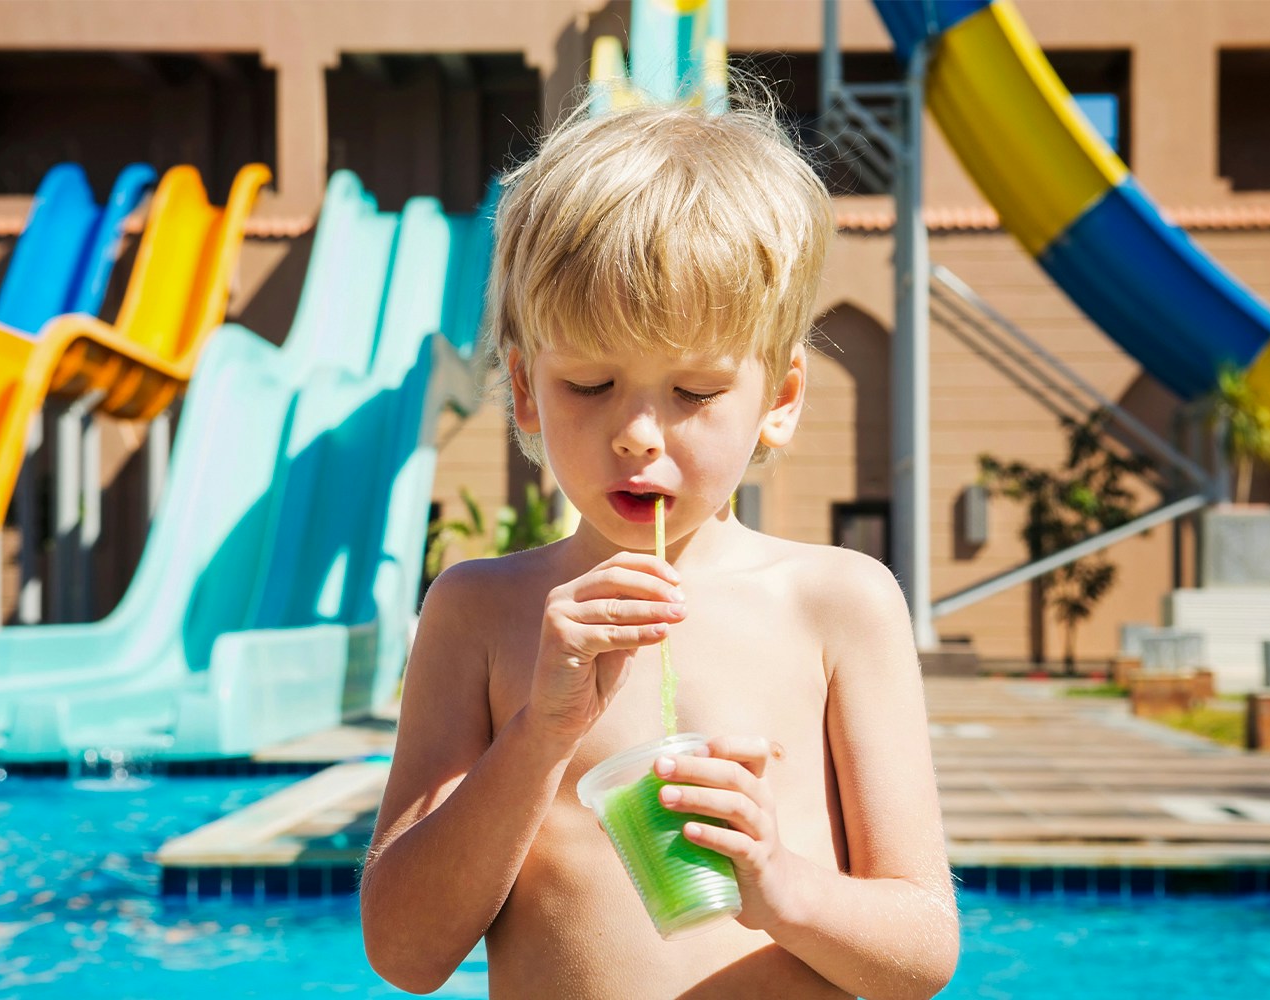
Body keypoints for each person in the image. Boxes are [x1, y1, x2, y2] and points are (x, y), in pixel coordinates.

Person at [361, 97, 957, 1000]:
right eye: (591, 383)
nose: (639, 431)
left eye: (695, 390)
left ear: (780, 397)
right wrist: (542, 734)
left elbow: (920, 955)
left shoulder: (838, 605)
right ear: (524, 390)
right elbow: (406, 954)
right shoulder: (480, 613)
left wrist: (782, 884)